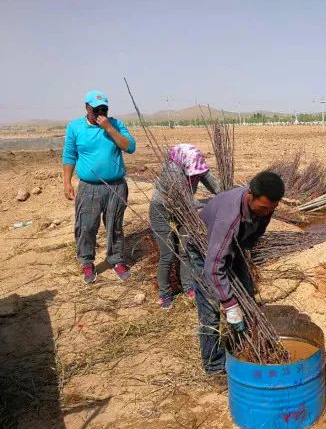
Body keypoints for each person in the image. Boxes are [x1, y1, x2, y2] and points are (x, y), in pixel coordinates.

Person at [193, 171, 284, 374]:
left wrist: (242, 253)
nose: (267, 212)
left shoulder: (265, 207)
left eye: (272, 208)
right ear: (250, 194)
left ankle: (245, 343)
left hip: (232, 246)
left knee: (247, 294)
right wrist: (228, 302)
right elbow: (213, 266)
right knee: (210, 310)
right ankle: (214, 366)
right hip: (204, 249)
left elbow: (255, 233)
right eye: (264, 208)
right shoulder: (229, 218)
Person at [62, 90, 136, 283]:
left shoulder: (116, 124)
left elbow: (130, 147)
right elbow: (70, 155)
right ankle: (87, 262)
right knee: (86, 226)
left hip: (116, 186)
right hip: (89, 187)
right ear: (87, 108)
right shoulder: (75, 127)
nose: (100, 113)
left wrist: (109, 129)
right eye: (96, 110)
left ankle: (116, 259)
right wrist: (67, 182)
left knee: (115, 226)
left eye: (104, 109)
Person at [149, 144, 221, 309]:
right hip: (162, 210)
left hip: (183, 210)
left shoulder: (195, 165)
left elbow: (215, 184)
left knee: (185, 250)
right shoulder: (172, 174)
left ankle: (188, 287)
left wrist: (228, 195)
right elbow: (188, 202)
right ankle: (164, 293)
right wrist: (214, 203)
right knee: (168, 253)